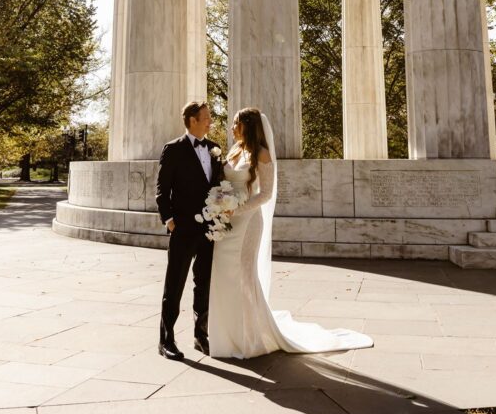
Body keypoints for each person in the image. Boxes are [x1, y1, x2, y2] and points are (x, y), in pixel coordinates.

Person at [208, 107, 374, 359]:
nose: (231, 128)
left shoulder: (262, 154)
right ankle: (226, 336)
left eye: (236, 124)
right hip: (227, 223)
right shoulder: (233, 151)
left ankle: (249, 337)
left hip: (248, 222)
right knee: (223, 274)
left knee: (244, 275)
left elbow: (265, 193)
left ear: (248, 126)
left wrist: (237, 209)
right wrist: (220, 202)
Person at [156, 101, 223, 360]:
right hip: (182, 228)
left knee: (203, 284)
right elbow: (162, 189)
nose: (210, 121)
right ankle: (166, 340)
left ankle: (200, 336)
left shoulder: (215, 148)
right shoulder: (173, 149)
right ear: (193, 120)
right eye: (206, 117)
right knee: (174, 285)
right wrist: (169, 221)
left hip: (209, 230)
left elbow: (218, 186)